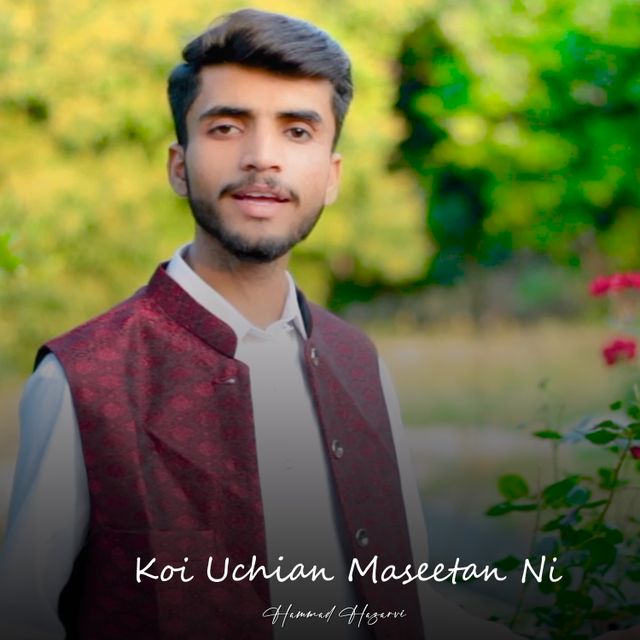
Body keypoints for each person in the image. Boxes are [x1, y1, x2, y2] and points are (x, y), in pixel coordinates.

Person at [0, 8, 634, 640]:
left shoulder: (358, 363)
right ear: (178, 164)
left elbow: (404, 609)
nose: (261, 159)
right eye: (226, 127)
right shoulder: (83, 380)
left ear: (331, 177)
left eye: (297, 131)